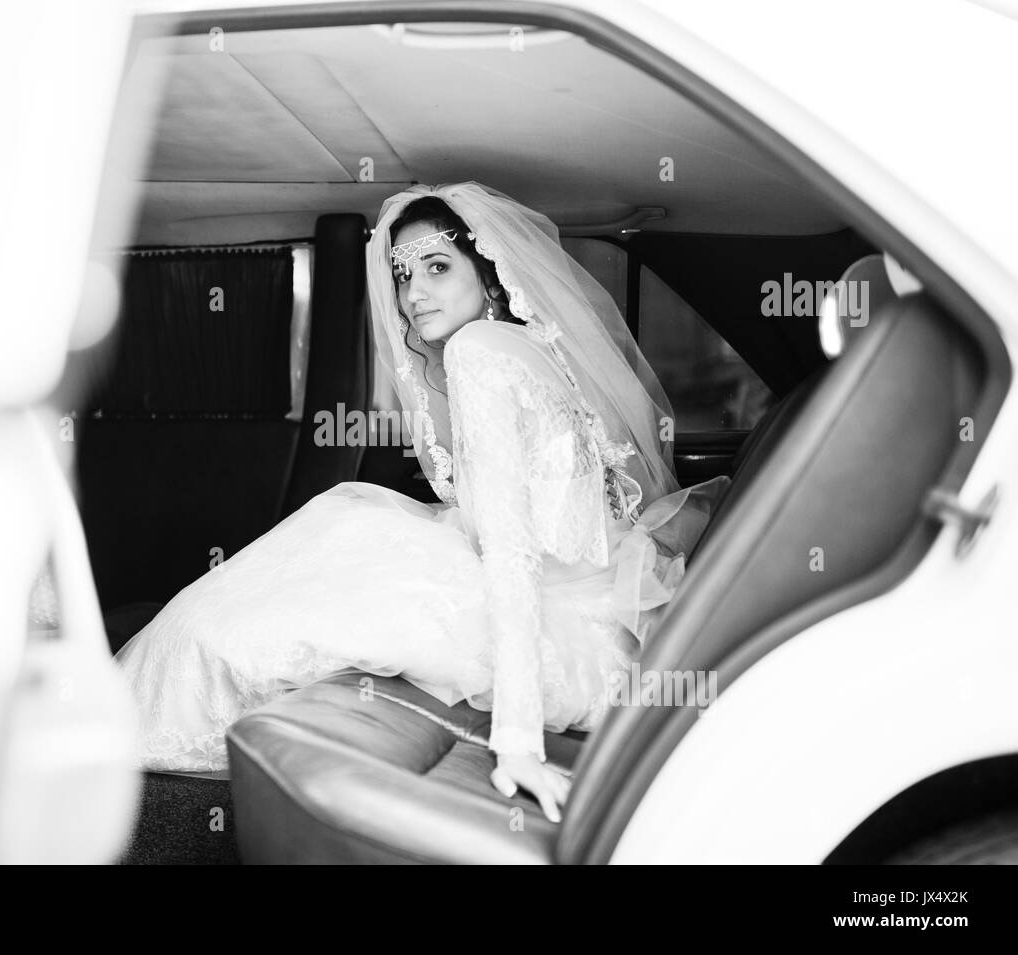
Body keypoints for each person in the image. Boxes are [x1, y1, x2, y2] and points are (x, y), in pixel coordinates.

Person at [115, 181, 728, 821]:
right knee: (331, 540)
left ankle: (109, 741)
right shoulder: (533, 349)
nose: (413, 295)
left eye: (438, 268)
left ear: (490, 278)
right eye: (403, 275)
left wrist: (517, 743)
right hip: (593, 593)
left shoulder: (477, 353)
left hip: (544, 608)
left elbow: (515, 550)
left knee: (220, 625)